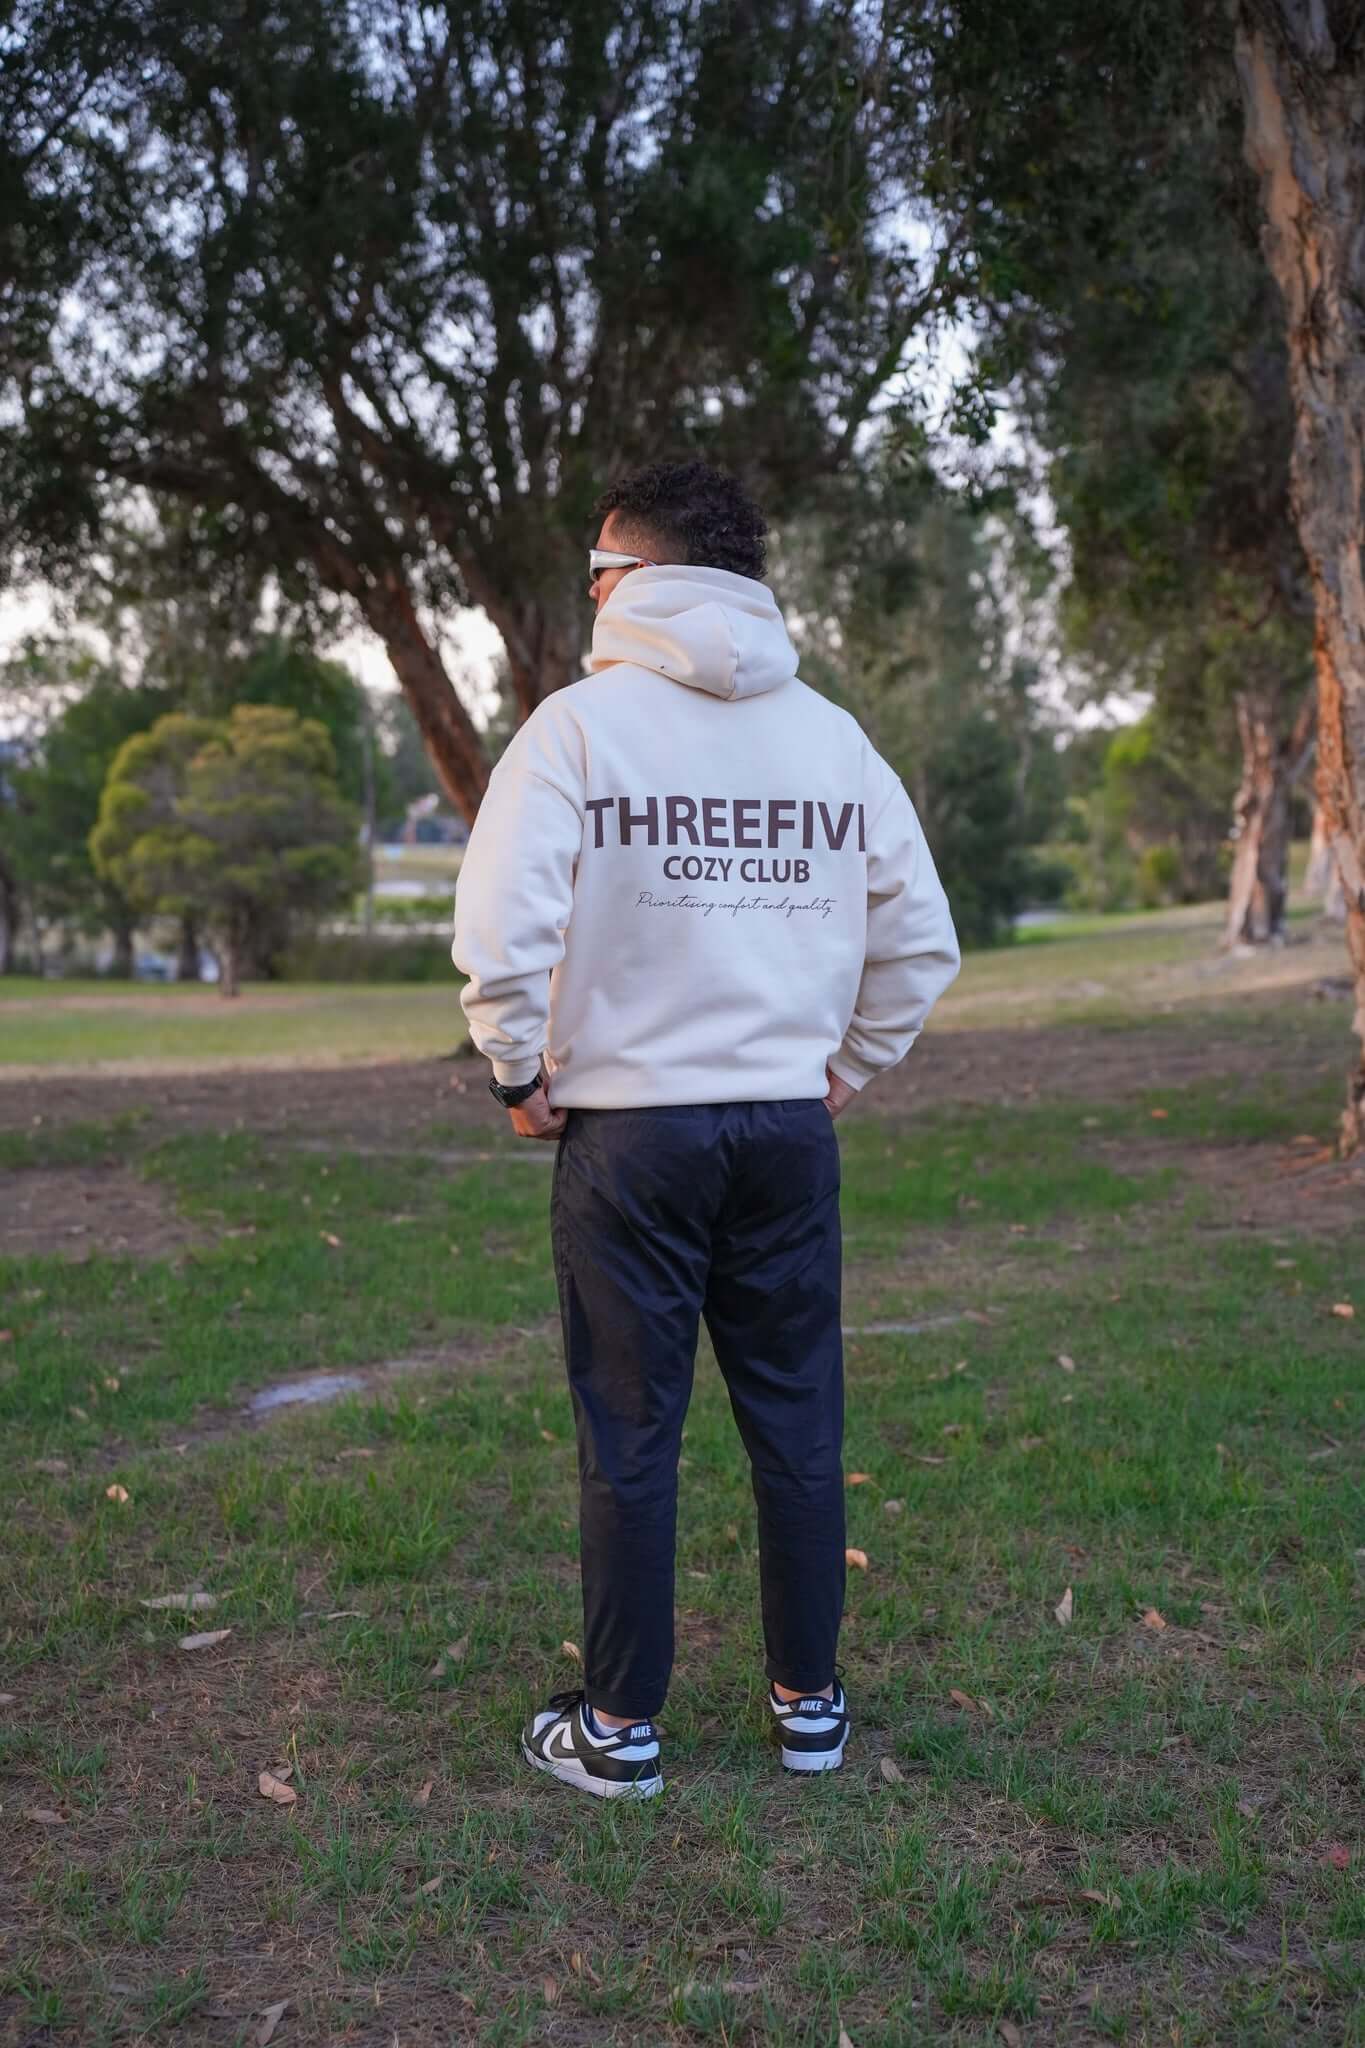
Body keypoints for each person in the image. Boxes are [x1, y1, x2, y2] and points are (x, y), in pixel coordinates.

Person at [451, 459, 960, 1799]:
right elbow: (918, 937)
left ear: (628, 579)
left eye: (596, 576)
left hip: (632, 1138)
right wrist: (846, 1061)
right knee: (796, 1419)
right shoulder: (829, 738)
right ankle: (810, 1711)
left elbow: (502, 933)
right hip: (786, 1130)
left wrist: (517, 1071)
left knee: (631, 1430)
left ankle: (619, 1734)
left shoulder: (574, 731)